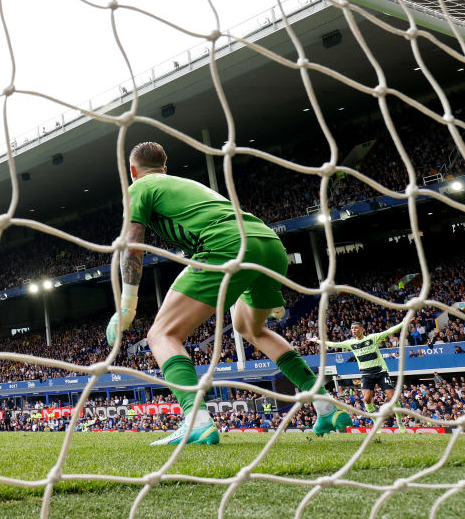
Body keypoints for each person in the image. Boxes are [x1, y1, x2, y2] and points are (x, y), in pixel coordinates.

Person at [107, 142, 350, 445]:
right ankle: (325, 403)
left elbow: (132, 244)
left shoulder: (140, 187)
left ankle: (196, 420)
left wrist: (127, 305)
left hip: (224, 246)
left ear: (132, 171)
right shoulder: (186, 184)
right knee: (249, 327)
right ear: (165, 168)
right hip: (268, 244)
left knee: (161, 335)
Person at [309, 320, 406, 431]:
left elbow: (389, 331)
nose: (354, 330)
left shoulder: (372, 338)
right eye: (352, 328)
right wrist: (318, 341)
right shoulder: (351, 343)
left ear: (362, 329)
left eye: (356, 328)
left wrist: (403, 322)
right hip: (366, 374)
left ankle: (399, 421)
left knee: (392, 397)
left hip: (380, 372)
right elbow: (333, 344)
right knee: (367, 399)